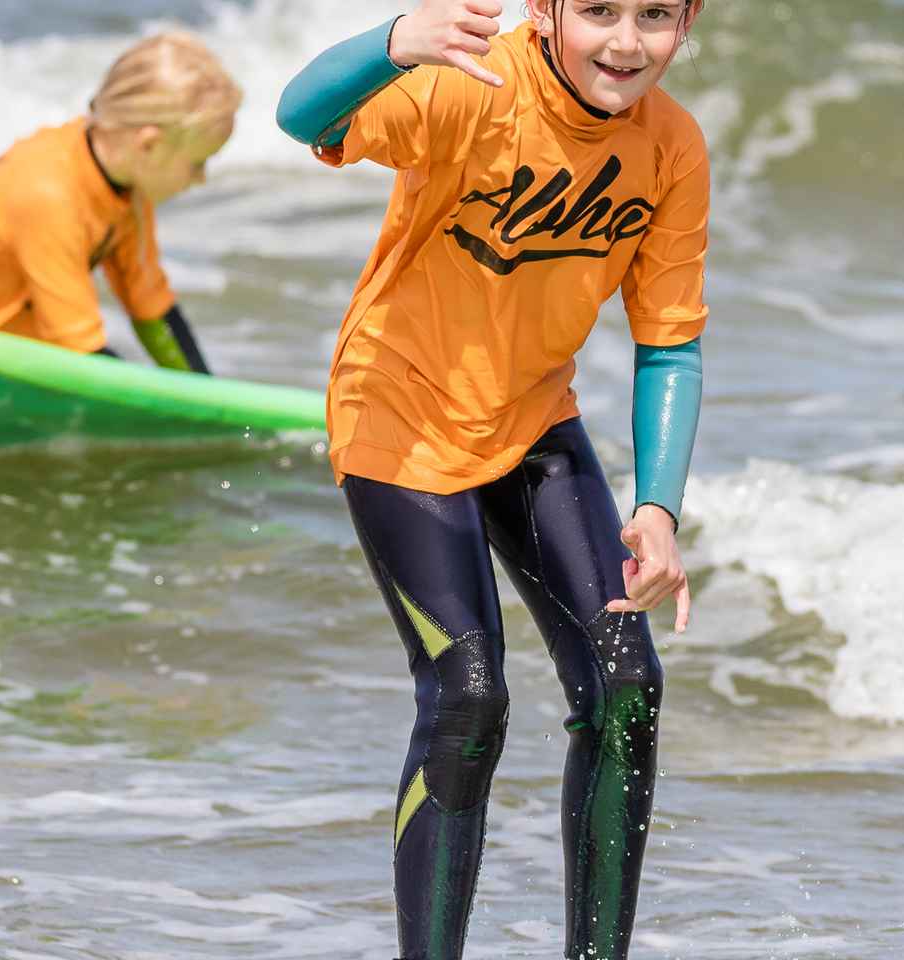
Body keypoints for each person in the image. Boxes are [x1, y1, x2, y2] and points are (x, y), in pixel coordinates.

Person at [277, 0, 707, 957]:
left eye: (656, 17)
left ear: (690, 22)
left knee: (626, 683)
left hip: (532, 419)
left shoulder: (671, 144)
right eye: (597, 11)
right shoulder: (475, 88)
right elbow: (303, 118)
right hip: (398, 411)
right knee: (470, 695)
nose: (627, 42)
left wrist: (656, 509)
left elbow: (670, 345)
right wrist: (394, 44)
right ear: (548, 10)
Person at [0, 32, 242, 373]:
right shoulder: (50, 193)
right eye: (198, 162)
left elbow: (154, 312)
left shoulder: (125, 190)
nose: (201, 178)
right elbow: (80, 353)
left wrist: (215, 406)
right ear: (149, 144)